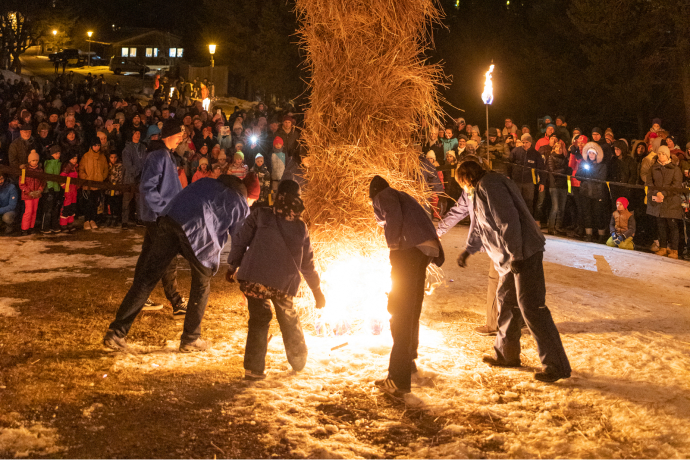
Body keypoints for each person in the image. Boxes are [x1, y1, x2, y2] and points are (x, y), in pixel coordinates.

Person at [104, 175, 251, 352]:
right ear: (247, 195)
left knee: (147, 278)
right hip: (199, 232)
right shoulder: (240, 203)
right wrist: (239, 269)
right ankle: (190, 339)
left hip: (169, 219)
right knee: (201, 284)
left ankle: (116, 333)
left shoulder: (206, 182)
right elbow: (241, 240)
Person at [455, 161, 571, 383]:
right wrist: (469, 250)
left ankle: (557, 365)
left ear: (465, 178)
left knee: (531, 307)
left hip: (524, 253)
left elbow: (508, 221)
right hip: (508, 257)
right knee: (506, 301)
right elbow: (481, 226)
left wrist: (516, 255)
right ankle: (506, 354)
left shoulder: (491, 185)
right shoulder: (479, 191)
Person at [228, 179, 325, 380]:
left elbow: (241, 239)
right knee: (288, 319)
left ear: (277, 195)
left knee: (259, 319)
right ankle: (298, 361)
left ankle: (254, 369)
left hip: (254, 278)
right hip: (283, 283)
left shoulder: (261, 215)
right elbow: (308, 264)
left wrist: (233, 265)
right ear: (298, 199)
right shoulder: (300, 228)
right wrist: (317, 292)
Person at [369, 175, 445, 396]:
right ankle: (409, 360)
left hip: (408, 248)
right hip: (424, 250)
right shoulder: (403, 196)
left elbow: (392, 215)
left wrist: (393, 247)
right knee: (411, 307)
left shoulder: (384, 195)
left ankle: (398, 378)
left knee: (399, 310)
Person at [137, 119, 187, 315]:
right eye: (179, 137)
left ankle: (140, 296)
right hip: (158, 216)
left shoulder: (165, 155)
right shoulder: (158, 156)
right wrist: (162, 210)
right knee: (167, 257)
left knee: (147, 256)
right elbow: (147, 187)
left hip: (158, 215)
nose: (180, 140)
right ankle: (176, 301)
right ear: (169, 135)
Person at [646, 145, 683, 259]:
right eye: (660, 154)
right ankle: (663, 247)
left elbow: (676, 185)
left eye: (663, 154)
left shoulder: (675, 169)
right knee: (660, 224)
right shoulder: (653, 168)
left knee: (672, 225)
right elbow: (649, 182)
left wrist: (664, 193)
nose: (661, 156)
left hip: (671, 201)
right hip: (658, 200)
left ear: (667, 155)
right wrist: (657, 192)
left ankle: (674, 249)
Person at [576, 142, 608, 243]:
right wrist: (586, 172)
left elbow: (601, 178)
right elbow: (577, 176)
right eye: (589, 153)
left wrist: (588, 173)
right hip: (585, 193)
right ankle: (588, 234)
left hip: (597, 194)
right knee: (587, 214)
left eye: (593, 153)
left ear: (597, 154)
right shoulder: (583, 163)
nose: (591, 155)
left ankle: (601, 235)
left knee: (598, 214)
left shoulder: (602, 166)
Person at [508, 133, 544, 220]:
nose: (524, 144)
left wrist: (542, 183)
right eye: (523, 142)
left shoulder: (536, 154)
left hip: (529, 182)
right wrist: (508, 177)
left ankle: (528, 221)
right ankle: (515, 220)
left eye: (526, 142)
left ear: (530, 142)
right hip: (516, 181)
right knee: (516, 201)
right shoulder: (515, 151)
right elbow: (508, 165)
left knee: (529, 203)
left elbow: (541, 169)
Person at [78, 138, 109, 230]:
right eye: (95, 145)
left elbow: (105, 169)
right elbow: (81, 169)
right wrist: (86, 179)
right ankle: (87, 220)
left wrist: (101, 177)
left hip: (98, 184)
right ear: (91, 146)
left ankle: (93, 219)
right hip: (88, 185)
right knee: (88, 203)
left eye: (98, 145)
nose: (97, 147)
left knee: (96, 203)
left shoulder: (102, 157)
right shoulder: (86, 156)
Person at [121, 130, 147, 227]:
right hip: (130, 177)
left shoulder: (143, 147)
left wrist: (142, 173)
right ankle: (124, 220)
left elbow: (145, 160)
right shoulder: (127, 149)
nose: (137, 135)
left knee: (139, 199)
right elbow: (127, 164)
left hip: (140, 177)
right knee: (127, 200)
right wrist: (137, 172)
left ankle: (139, 218)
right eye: (135, 133)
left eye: (139, 133)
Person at [19, 151, 45, 236]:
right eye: (33, 160)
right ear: (29, 161)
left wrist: (40, 190)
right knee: (28, 211)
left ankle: (31, 227)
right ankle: (24, 228)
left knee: (34, 211)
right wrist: (29, 192)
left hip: (36, 194)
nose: (35, 162)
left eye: (36, 160)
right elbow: (21, 184)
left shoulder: (40, 170)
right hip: (28, 195)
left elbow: (43, 182)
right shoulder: (24, 171)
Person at [41, 145, 63, 233]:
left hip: (56, 188)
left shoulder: (58, 163)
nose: (58, 155)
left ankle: (54, 225)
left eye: (59, 153)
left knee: (55, 208)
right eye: (56, 153)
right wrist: (50, 188)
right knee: (48, 209)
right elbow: (49, 177)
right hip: (50, 189)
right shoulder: (49, 163)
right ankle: (45, 226)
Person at [59, 152, 79, 232]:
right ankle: (63, 224)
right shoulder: (67, 167)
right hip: (68, 191)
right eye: (73, 158)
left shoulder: (75, 167)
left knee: (72, 207)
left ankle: (70, 223)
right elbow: (62, 178)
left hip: (73, 191)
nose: (74, 160)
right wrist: (65, 187)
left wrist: (77, 186)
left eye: (76, 158)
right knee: (66, 208)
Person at [105, 152, 124, 228]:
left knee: (116, 204)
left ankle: (115, 218)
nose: (113, 159)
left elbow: (120, 177)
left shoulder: (120, 166)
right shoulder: (107, 165)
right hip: (108, 189)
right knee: (109, 203)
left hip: (116, 189)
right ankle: (109, 217)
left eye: (115, 157)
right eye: (111, 157)